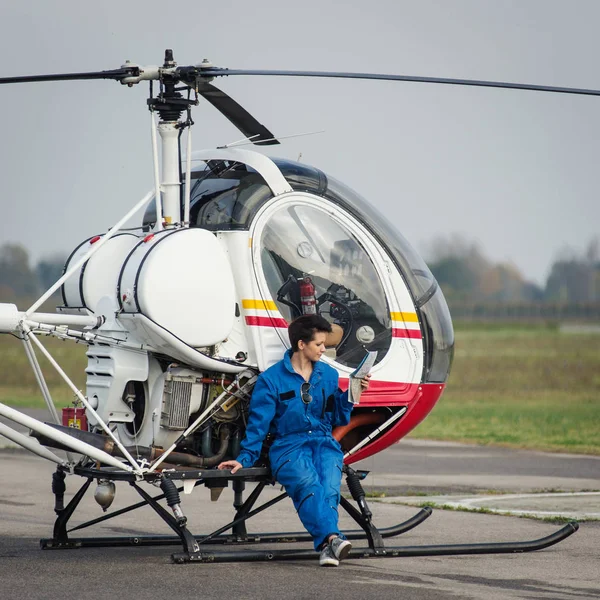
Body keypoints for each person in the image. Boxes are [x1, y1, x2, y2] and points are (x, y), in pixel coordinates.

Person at [218, 314, 371, 567]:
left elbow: (338, 416)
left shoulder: (329, 375)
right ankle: (333, 539)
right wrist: (244, 459)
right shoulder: (271, 380)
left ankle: (327, 545)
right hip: (288, 446)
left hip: (324, 443)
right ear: (301, 344)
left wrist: (354, 393)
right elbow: (258, 426)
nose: (324, 349)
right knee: (309, 485)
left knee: (329, 489)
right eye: (319, 344)